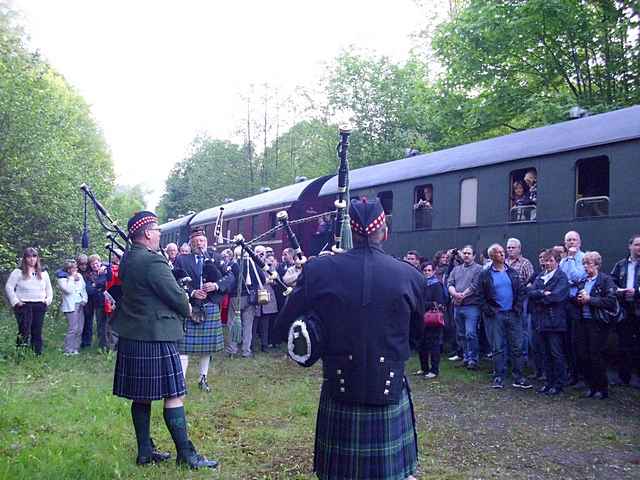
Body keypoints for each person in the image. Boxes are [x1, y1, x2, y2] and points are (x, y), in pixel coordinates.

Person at [274, 198, 425, 480]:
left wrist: (315, 316)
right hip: (390, 388)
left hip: (339, 388)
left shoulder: (319, 271)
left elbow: (284, 327)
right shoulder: (411, 276)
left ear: (351, 232)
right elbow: (417, 337)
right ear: (385, 231)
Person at [112, 211, 217, 469]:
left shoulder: (128, 258)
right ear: (147, 233)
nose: (160, 233)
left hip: (134, 334)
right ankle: (186, 455)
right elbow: (180, 300)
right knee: (174, 394)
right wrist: (186, 302)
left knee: (142, 396)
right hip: (156, 336)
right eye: (157, 229)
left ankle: (145, 452)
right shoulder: (153, 262)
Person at [173, 227, 234, 392]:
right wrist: (192, 291)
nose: (200, 244)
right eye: (197, 241)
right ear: (191, 244)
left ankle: (202, 379)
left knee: (207, 348)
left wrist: (215, 285)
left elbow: (231, 277)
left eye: (202, 241)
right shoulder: (182, 260)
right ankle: (181, 381)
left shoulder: (216, 258)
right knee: (183, 347)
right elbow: (175, 279)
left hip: (210, 304)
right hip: (191, 305)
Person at [478, 244, 531, 390]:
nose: (502, 254)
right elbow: (480, 296)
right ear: (492, 257)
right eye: (498, 252)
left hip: (513, 314)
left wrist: (518, 308)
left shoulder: (512, 272)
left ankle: (519, 377)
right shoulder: (485, 275)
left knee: (517, 346)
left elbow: (521, 291)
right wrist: (489, 311)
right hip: (495, 316)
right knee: (497, 347)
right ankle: (498, 376)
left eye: (502, 252)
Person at [575, 251, 617, 399]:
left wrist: (590, 300)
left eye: (589, 264)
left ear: (597, 265)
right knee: (583, 354)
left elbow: (610, 301)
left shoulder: (605, 280)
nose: (586, 267)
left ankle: (602, 388)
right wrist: (579, 300)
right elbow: (578, 299)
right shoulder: (583, 281)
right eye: (584, 264)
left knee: (596, 355)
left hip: (598, 324)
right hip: (583, 322)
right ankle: (591, 386)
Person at [528, 249, 569, 395]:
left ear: (557, 262)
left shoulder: (561, 277)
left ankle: (559, 384)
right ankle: (549, 381)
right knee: (544, 353)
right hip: (540, 321)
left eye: (551, 260)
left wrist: (541, 297)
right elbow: (530, 293)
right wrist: (542, 293)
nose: (548, 263)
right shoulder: (540, 276)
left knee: (556, 353)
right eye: (546, 260)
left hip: (554, 321)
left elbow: (557, 297)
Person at [5, 247, 53, 355]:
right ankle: (21, 354)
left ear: (37, 258)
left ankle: (36, 354)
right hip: (23, 305)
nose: (32, 259)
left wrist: (47, 300)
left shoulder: (43, 272)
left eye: (34, 256)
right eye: (29, 257)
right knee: (24, 330)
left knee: (37, 330)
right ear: (25, 258)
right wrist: (16, 301)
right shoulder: (18, 272)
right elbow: (9, 287)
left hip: (39, 305)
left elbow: (49, 289)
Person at [610, 234, 640, 385]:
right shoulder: (620, 265)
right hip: (624, 309)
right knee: (623, 344)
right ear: (630, 247)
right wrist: (619, 290)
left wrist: (637, 291)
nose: (639, 248)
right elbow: (611, 283)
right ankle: (623, 377)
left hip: (639, 308)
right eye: (636, 244)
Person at [447, 245, 483, 369]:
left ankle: (474, 359)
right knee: (461, 334)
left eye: (469, 253)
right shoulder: (456, 270)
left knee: (470, 333)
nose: (466, 255)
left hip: (471, 306)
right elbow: (450, 283)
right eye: (465, 253)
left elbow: (475, 285)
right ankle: (466, 357)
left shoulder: (479, 269)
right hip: (457, 306)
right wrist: (454, 293)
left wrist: (462, 295)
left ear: (474, 256)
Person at [559, 230, 587, 386]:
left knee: (578, 341)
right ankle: (571, 373)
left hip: (577, 304)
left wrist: (570, 259)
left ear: (579, 242)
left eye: (574, 240)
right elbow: (562, 281)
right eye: (568, 240)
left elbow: (578, 277)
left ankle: (581, 376)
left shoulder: (583, 258)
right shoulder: (563, 261)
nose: (571, 242)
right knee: (566, 340)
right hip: (564, 304)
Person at [505, 238, 535, 366]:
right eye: (508, 247)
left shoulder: (525, 263)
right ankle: (507, 359)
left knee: (522, 330)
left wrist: (522, 291)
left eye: (513, 247)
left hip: (520, 302)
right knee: (506, 330)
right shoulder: (503, 262)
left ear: (519, 249)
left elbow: (532, 283)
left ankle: (522, 359)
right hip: (505, 301)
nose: (510, 250)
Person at [417, 262, 446, 378]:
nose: (427, 273)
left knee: (434, 344)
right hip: (421, 318)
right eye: (425, 270)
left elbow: (439, 302)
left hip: (433, 319)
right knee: (422, 344)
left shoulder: (437, 285)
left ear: (433, 271)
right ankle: (424, 368)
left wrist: (424, 304)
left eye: (429, 270)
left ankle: (434, 370)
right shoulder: (420, 285)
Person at [58, 259, 88, 355]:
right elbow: (68, 290)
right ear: (68, 269)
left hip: (80, 303)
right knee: (73, 328)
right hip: (70, 305)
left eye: (75, 268)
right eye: (72, 268)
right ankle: (68, 349)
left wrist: (85, 299)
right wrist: (71, 278)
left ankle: (75, 348)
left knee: (80, 327)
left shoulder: (79, 276)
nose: (75, 270)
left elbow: (83, 288)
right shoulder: (62, 279)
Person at [82, 254, 108, 350]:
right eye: (92, 264)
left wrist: (96, 284)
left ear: (100, 262)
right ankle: (102, 346)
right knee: (100, 324)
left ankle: (112, 346)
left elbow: (105, 281)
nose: (95, 266)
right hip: (98, 303)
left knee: (110, 324)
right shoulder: (89, 275)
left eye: (96, 263)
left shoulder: (106, 270)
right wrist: (98, 286)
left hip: (109, 301)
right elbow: (89, 290)